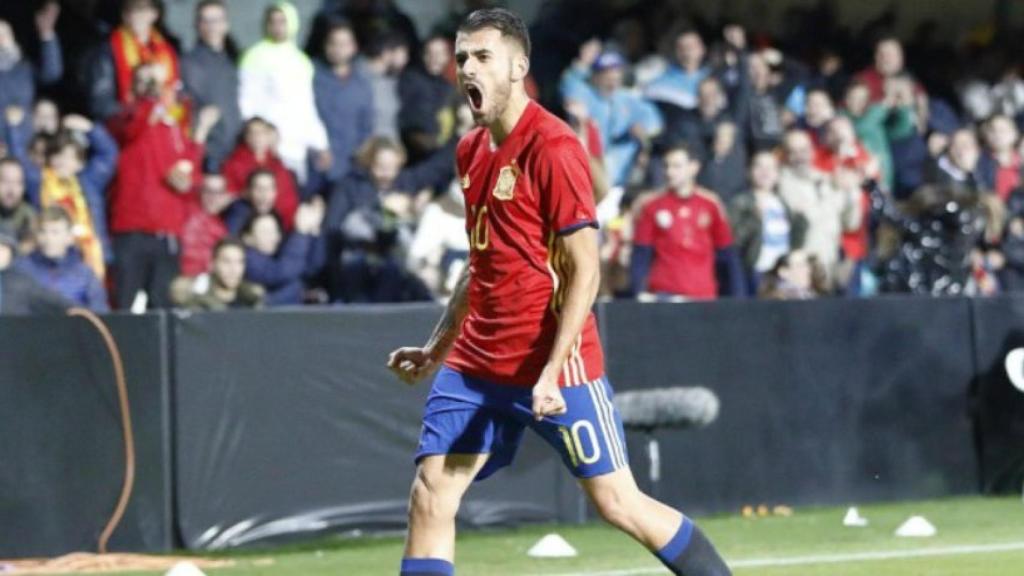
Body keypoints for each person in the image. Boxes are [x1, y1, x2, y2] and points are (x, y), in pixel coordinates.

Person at [386, 10, 731, 576]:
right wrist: (436, 348)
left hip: (554, 364)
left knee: (617, 502)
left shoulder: (553, 147)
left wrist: (550, 371)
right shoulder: (470, 151)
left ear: (518, 66)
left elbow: (585, 271)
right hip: (476, 362)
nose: (467, 68)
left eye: (482, 57)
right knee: (430, 493)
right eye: (462, 58)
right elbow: (480, 265)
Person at [107, 63, 220, 310]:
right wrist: (152, 95)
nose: (155, 89)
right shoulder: (127, 119)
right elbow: (134, 124)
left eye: (160, 84)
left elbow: (188, 170)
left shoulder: (172, 129)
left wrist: (201, 132)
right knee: (125, 306)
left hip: (168, 232)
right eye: (147, 82)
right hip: (133, 230)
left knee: (163, 308)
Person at [631, 145, 743, 300]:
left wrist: (737, 297)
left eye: (676, 166)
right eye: (667, 166)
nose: (669, 172)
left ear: (693, 168)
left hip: (703, 296)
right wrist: (637, 291)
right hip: (665, 295)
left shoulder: (710, 204)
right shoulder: (652, 205)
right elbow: (641, 254)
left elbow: (726, 254)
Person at [239, 1, 330, 183]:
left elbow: (306, 106)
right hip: (267, 146)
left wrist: (321, 143)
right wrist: (259, 135)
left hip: (296, 146)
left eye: (282, 21)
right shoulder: (254, 56)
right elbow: (247, 102)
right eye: (272, 21)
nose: (277, 27)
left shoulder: (302, 61)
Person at [560, 41, 662, 187]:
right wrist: (581, 64)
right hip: (586, 168)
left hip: (620, 176)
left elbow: (654, 121)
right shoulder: (584, 92)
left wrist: (642, 130)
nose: (612, 81)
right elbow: (570, 84)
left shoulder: (627, 99)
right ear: (595, 76)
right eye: (606, 75)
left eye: (616, 76)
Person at [87, 0, 182, 122]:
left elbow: (177, 93)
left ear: (154, 14)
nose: (138, 15)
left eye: (143, 9)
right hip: (122, 124)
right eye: (132, 10)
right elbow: (100, 103)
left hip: (161, 121)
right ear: (124, 15)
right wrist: (140, 114)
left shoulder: (168, 50)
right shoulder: (108, 49)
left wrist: (167, 115)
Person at [729, 151, 807, 294]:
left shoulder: (782, 203)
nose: (765, 172)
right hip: (757, 272)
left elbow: (795, 243)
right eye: (759, 167)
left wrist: (800, 221)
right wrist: (755, 219)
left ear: (777, 174)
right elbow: (734, 240)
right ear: (750, 172)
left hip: (783, 272)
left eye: (770, 168)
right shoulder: (741, 202)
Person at [181, 0, 241, 172]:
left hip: (235, 152)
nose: (211, 26)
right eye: (205, 20)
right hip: (209, 155)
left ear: (226, 24)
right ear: (197, 25)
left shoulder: (232, 61)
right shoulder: (188, 63)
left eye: (216, 20)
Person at [314, 20, 373, 184]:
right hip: (319, 164)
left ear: (354, 47)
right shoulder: (312, 77)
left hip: (353, 166)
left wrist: (363, 153)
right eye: (333, 43)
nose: (338, 49)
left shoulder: (362, 82)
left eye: (344, 44)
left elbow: (366, 124)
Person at [17, 206, 108, 311]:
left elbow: (99, 314)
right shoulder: (22, 269)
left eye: (55, 232)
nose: (48, 238)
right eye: (43, 231)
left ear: (69, 237)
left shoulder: (85, 275)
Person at [221, 117, 300, 228]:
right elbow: (229, 196)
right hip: (249, 217)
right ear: (246, 137)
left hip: (281, 220)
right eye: (252, 133)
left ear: (268, 136)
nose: (257, 137)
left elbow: (289, 198)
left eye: (261, 132)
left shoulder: (277, 164)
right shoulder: (233, 163)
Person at [240, 203, 323, 306]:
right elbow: (279, 273)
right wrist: (300, 233)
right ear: (247, 238)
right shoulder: (247, 258)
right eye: (265, 232)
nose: (272, 237)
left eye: (275, 231)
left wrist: (313, 233)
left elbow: (311, 268)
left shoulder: (279, 253)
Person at [399, 35, 457, 162]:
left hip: (441, 152)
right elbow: (401, 118)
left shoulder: (448, 87)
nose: (434, 58)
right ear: (422, 55)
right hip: (413, 153)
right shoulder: (409, 80)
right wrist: (416, 137)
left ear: (447, 57)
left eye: (440, 54)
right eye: (429, 53)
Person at [0, 2, 63, 114]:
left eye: (5, 35)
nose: (2, 40)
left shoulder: (23, 68)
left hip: (22, 124)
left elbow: (51, 73)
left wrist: (46, 33)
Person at [171, 237, 264, 310]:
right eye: (226, 261)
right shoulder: (197, 302)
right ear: (212, 264)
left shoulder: (253, 299)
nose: (233, 269)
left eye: (239, 262)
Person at [0, 224, 69, 315]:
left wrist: (76, 309)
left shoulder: (23, 281)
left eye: (2, 248)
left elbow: (53, 300)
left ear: (11, 252)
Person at [179, 173, 231, 277]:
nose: (213, 197)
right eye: (208, 191)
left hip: (207, 278)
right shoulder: (185, 210)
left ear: (225, 196)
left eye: (218, 192)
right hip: (180, 275)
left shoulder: (222, 227)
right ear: (200, 192)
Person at [0, 157, 36, 254]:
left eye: (18, 182)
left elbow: (29, 245)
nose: (11, 189)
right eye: (5, 181)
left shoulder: (28, 215)